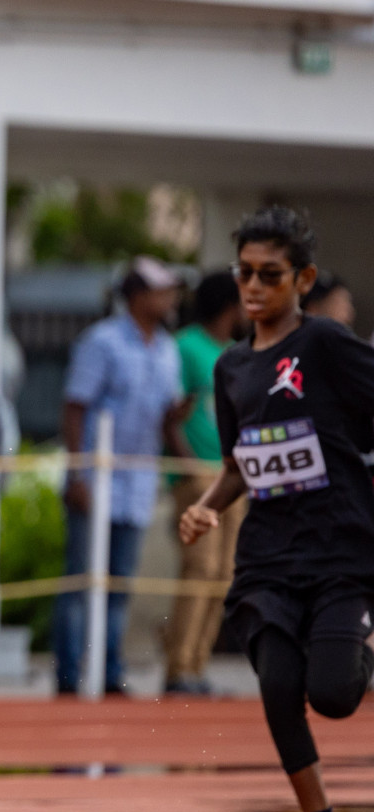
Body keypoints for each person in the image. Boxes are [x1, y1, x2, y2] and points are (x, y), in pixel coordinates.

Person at [179, 206, 374, 812]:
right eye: (245, 273)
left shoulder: (326, 344)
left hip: (342, 549)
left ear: (303, 278)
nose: (254, 287)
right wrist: (205, 508)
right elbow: (240, 459)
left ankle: (361, 643)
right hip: (267, 558)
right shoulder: (232, 367)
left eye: (270, 274)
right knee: (280, 691)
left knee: (336, 694)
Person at [55, 256, 187, 696]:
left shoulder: (166, 348)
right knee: (81, 580)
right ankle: (70, 675)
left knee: (119, 584)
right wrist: (77, 474)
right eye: (161, 291)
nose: (169, 299)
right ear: (136, 295)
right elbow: (75, 408)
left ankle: (109, 671)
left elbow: (165, 418)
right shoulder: (103, 342)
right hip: (96, 478)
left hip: (138, 481)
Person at [164, 270, 247, 696]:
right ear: (229, 304)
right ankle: (179, 667)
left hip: (233, 476)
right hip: (198, 476)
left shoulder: (236, 351)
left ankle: (196, 665)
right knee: (199, 568)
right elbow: (172, 413)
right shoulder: (185, 345)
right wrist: (189, 464)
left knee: (223, 573)